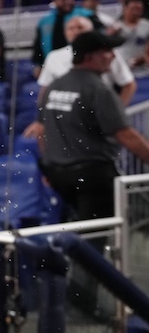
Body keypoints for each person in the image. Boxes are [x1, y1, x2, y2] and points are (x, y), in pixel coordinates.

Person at [38, 30, 149, 220]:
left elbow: (42, 132)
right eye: (107, 51)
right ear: (89, 57)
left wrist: (48, 167)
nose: (113, 56)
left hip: (60, 175)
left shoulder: (54, 86)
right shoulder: (98, 89)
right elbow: (125, 135)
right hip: (92, 177)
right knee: (99, 235)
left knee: (85, 227)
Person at [31, 0, 84, 74]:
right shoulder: (45, 21)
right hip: (51, 62)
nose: (67, 2)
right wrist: (39, 64)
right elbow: (38, 44)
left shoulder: (84, 16)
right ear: (55, 1)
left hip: (79, 62)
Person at [108, 0, 149, 75]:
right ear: (125, 8)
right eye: (133, 8)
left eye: (139, 8)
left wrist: (143, 58)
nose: (137, 11)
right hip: (121, 69)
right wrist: (110, 35)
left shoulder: (147, 25)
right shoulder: (116, 26)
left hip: (142, 68)